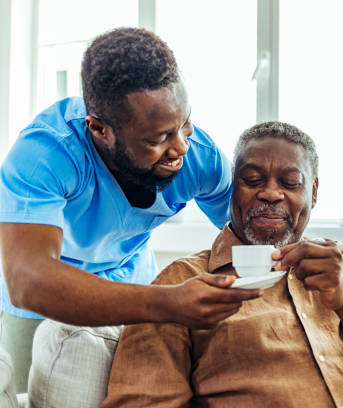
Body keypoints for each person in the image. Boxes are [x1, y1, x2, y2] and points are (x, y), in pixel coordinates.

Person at [101, 121, 343, 408]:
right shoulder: (179, 284)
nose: (271, 194)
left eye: (290, 183)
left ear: (314, 193)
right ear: (232, 189)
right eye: (252, 180)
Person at [0, 28, 262, 391]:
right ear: (99, 129)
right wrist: (168, 303)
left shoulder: (199, 157)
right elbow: (28, 280)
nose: (181, 147)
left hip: (136, 283)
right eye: (158, 139)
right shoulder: (44, 156)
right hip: (47, 300)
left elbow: (252, 234)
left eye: (184, 123)